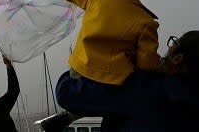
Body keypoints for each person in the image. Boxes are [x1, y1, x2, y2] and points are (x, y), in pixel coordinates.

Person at [38, 0, 161, 131]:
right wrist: (162, 64)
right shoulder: (146, 23)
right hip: (114, 88)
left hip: (74, 84)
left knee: (102, 98)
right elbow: (147, 64)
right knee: (139, 91)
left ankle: (70, 115)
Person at [56, 30, 199, 131]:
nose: (167, 49)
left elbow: (67, 93)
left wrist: (80, 60)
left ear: (177, 58)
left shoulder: (146, 89)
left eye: (174, 44)